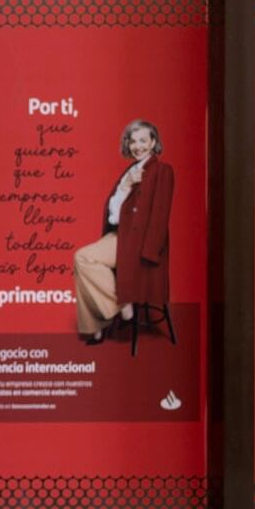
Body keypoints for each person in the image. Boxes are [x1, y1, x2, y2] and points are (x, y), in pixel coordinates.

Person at [73, 119, 175, 344]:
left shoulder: (162, 171)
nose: (137, 146)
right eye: (132, 141)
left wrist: (148, 252)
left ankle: (107, 317)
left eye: (143, 140)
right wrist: (126, 184)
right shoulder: (130, 171)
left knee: (82, 259)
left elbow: (160, 215)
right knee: (81, 260)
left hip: (138, 243)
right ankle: (118, 306)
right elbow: (116, 209)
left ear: (153, 143)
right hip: (119, 235)